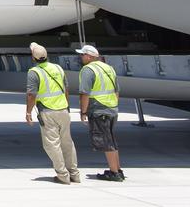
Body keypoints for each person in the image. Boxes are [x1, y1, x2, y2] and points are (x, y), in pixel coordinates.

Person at [25, 42, 79, 184]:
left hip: (48, 111)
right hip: (63, 110)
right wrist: (66, 106)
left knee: (52, 144)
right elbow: (66, 89)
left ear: (33, 57)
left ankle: (62, 175)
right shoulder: (58, 68)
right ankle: (74, 174)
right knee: (67, 142)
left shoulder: (34, 72)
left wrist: (28, 112)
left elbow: (31, 94)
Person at [77, 44, 125, 182]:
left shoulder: (88, 70)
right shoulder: (108, 68)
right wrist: (114, 105)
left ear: (90, 56)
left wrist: (83, 112)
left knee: (106, 142)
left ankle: (114, 173)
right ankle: (117, 169)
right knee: (111, 140)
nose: (80, 57)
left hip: (99, 109)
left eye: (82, 54)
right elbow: (117, 90)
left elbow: (84, 93)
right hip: (111, 108)